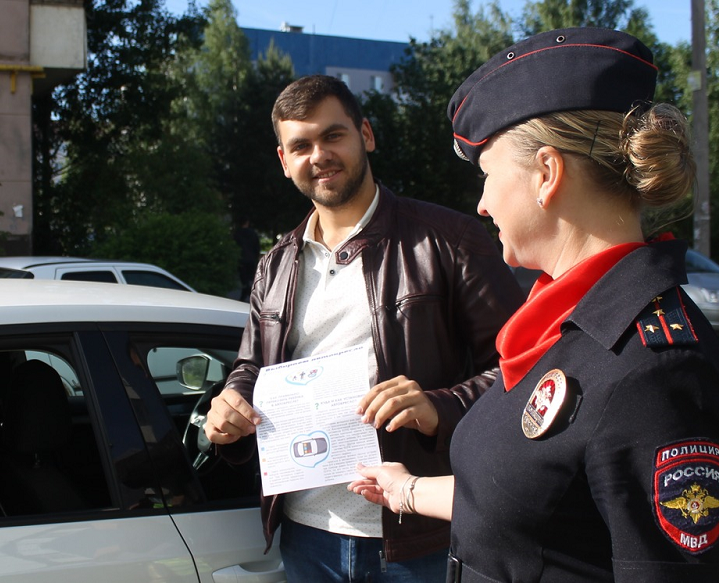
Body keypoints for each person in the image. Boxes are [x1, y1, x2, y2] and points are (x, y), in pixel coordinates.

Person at [349, 28, 719, 582]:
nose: (482, 204)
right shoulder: (567, 328)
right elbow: (532, 502)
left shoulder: (657, 373)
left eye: (488, 176)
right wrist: (406, 490)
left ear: (546, 173)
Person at [204, 74, 524, 582]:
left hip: (420, 533)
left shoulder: (449, 239)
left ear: (366, 135)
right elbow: (252, 367)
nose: (319, 155)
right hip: (306, 535)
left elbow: (525, 368)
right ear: (284, 160)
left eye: (333, 135)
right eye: (301, 145)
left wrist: (438, 408)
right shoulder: (274, 265)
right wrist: (231, 404)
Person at [233, 217, 260, 302]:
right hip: (251, 259)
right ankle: (249, 293)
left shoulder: (237, 234)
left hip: (241, 259)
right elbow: (257, 247)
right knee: (250, 278)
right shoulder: (253, 234)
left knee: (244, 279)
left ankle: (246, 293)